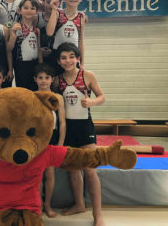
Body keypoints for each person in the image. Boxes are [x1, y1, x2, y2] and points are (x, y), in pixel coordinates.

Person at [52, 42, 105, 226]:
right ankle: (80, 204)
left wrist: (92, 102)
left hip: (85, 129)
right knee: (73, 170)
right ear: (59, 61)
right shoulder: (57, 81)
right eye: (64, 58)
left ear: (78, 58)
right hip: (67, 129)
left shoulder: (87, 75)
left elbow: (102, 97)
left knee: (90, 171)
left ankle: (98, 215)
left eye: (71, 56)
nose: (68, 61)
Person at [33, 63, 66, 218]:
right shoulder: (32, 96)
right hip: (37, 139)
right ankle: (38, 204)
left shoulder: (58, 97)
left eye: (47, 78)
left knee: (50, 173)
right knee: (38, 173)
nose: (44, 81)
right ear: (35, 79)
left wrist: (60, 143)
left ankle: (48, 205)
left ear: (52, 79)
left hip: (52, 137)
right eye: (40, 78)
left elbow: (62, 122)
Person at [47, 0, 86, 70]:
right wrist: (53, 9)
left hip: (72, 58)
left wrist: (82, 62)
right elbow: (49, 32)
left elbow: (81, 42)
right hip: (56, 56)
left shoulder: (81, 17)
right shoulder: (58, 13)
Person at [7, 0, 42, 90]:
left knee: (35, 91)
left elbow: (39, 50)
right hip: (20, 66)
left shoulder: (36, 30)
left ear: (36, 12)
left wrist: (41, 66)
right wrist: (10, 69)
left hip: (35, 65)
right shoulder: (16, 28)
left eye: (32, 8)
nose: (29, 10)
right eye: (26, 8)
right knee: (23, 92)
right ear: (19, 10)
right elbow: (9, 50)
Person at [37, 0, 63, 72]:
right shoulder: (36, 18)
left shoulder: (63, 17)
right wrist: (39, 50)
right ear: (43, 2)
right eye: (48, 2)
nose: (51, 5)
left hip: (58, 59)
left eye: (55, 2)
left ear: (60, 3)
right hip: (41, 59)